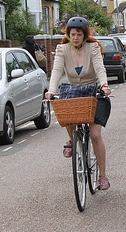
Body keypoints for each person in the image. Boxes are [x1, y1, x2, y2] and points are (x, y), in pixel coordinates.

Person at [45, 16, 112, 190]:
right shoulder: (62, 49)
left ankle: (102, 176)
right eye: (73, 34)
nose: (75, 38)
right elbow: (57, 71)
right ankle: (71, 139)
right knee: (65, 108)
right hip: (73, 92)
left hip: (93, 93)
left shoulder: (93, 48)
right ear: (68, 34)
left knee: (95, 135)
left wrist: (104, 85)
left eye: (79, 35)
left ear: (85, 35)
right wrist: (51, 91)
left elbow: (100, 69)